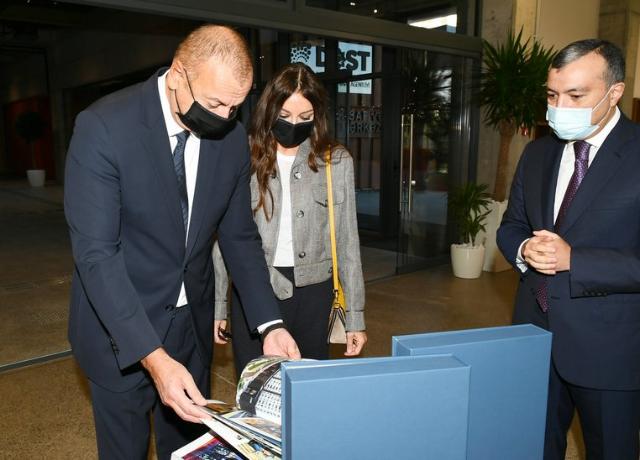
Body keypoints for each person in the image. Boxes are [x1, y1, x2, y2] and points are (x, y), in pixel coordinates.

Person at [64, 25, 300, 460]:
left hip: (189, 329)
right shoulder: (103, 128)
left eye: (235, 106)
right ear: (177, 74)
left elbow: (240, 238)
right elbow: (97, 255)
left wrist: (271, 323)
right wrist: (153, 357)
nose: (226, 118)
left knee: (192, 451)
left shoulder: (230, 140)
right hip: (119, 328)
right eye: (214, 104)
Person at [497, 39, 640, 460]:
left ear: (614, 93)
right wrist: (524, 248)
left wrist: (574, 260)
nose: (560, 106)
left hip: (609, 347)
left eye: (576, 95)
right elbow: (511, 226)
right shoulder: (538, 152)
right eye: (553, 95)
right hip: (533, 333)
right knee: (533, 446)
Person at [213, 63, 367, 375]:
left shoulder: (335, 161)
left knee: (306, 387)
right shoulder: (243, 155)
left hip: (314, 291)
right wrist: (219, 304)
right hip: (254, 286)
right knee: (256, 388)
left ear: (317, 117)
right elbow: (223, 237)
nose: (294, 125)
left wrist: (355, 316)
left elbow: (348, 242)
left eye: (305, 118)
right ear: (269, 109)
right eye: (284, 116)